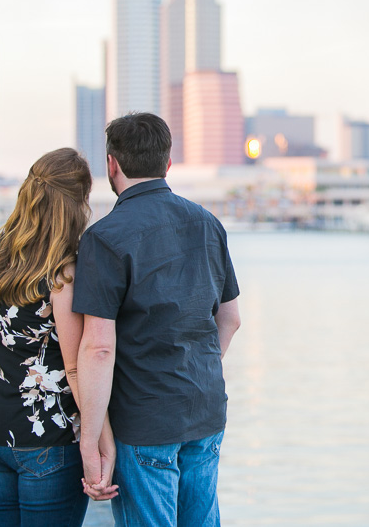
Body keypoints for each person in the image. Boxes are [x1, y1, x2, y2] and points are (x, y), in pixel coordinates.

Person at [73, 112, 241, 527]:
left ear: (111, 164)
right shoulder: (208, 223)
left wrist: (90, 441)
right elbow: (230, 319)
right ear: (168, 163)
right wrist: (197, 371)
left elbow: (98, 346)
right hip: (204, 406)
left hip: (144, 416)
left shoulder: (104, 237)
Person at [0, 147, 117, 527]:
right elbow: (75, 368)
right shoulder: (63, 272)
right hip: (46, 442)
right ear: (78, 201)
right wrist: (102, 446)